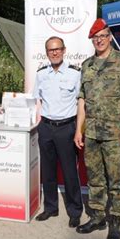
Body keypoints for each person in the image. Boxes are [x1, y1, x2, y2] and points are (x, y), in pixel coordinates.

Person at [74, 19, 120, 239]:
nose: (99, 40)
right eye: (95, 37)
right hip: (92, 132)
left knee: (117, 179)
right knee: (94, 177)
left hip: (116, 133)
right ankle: (97, 216)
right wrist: (78, 130)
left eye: (103, 35)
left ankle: (116, 221)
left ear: (109, 35)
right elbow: (82, 99)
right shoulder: (87, 65)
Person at [32, 36, 83, 228]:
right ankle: (51, 207)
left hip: (66, 127)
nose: (54, 52)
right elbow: (37, 99)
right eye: (50, 50)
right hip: (46, 127)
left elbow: (82, 102)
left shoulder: (75, 73)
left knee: (70, 172)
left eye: (57, 49)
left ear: (64, 50)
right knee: (48, 170)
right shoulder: (41, 74)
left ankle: (75, 211)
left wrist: (78, 129)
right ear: (47, 53)